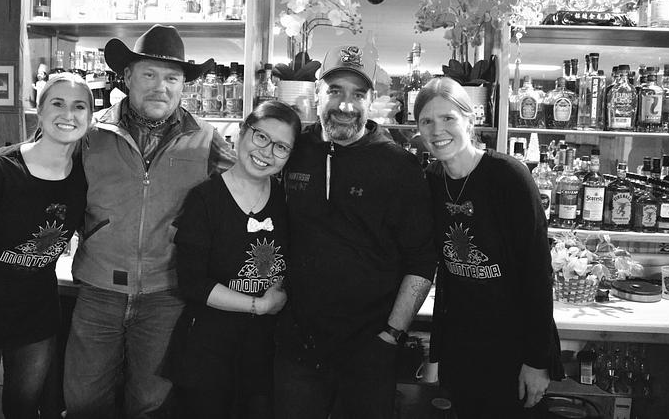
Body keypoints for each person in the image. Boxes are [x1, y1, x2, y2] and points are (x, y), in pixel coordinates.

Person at [62, 24, 235, 418]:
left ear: (183, 85)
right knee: (84, 402)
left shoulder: (206, 138)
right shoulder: (90, 132)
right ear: (127, 77)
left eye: (172, 78)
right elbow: (36, 160)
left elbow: (248, 184)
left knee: (151, 405)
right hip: (98, 290)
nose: (161, 87)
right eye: (149, 75)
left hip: (166, 294)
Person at [274, 45, 437, 419]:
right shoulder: (294, 149)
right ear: (317, 93)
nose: (345, 105)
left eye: (358, 94)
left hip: (369, 347)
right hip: (297, 345)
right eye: (335, 90)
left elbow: (422, 259)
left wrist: (390, 335)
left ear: (372, 100)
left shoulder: (399, 166)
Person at [0, 72, 92, 419]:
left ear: (90, 117)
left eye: (79, 106)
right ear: (40, 111)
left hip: (35, 318)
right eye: (57, 103)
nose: (68, 114)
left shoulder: (85, 177)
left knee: (24, 411)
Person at [414, 77, 562, 419]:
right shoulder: (432, 180)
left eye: (448, 118)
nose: (437, 130)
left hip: (513, 345)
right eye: (427, 121)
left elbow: (538, 273)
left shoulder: (508, 175)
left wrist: (537, 360)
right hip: (461, 344)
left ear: (470, 120)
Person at [168, 100, 301, 419]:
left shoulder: (285, 199)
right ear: (241, 133)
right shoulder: (205, 199)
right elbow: (192, 283)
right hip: (209, 348)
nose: (267, 152)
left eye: (281, 147)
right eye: (261, 137)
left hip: (265, 349)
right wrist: (259, 305)